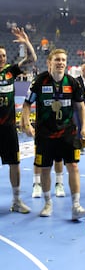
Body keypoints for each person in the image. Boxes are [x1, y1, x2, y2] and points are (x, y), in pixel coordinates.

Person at [21, 49, 85, 220]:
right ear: (49, 62)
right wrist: (27, 123)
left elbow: (81, 106)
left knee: (73, 166)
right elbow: (27, 104)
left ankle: (76, 205)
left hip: (68, 133)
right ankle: (47, 203)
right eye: (57, 59)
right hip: (45, 134)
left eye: (63, 60)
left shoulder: (73, 83)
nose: (60, 62)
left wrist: (84, 128)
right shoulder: (39, 81)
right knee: (45, 169)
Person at [0, 27, 37, 214]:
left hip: (7, 128)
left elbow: (32, 60)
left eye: (4, 55)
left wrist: (26, 42)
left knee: (15, 164)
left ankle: (16, 200)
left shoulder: (10, 71)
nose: (1, 58)